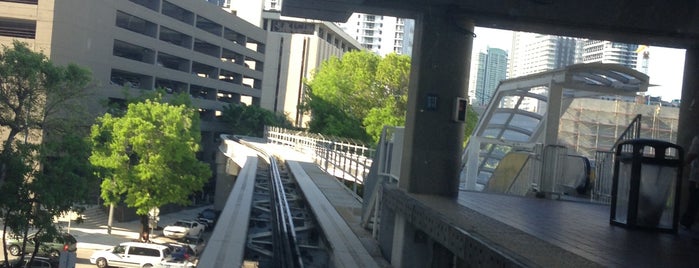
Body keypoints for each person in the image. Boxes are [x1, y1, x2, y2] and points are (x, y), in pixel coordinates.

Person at [681, 135, 699, 229]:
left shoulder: (697, 139)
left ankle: (687, 222)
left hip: (696, 177)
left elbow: (692, 155)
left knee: (693, 199)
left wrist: (682, 163)